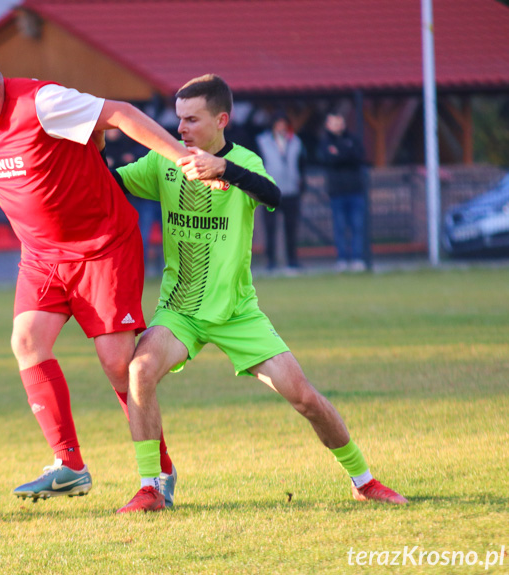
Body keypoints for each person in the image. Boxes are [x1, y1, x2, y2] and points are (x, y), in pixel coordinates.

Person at [111, 74, 406, 512]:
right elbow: (107, 184)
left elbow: (273, 194)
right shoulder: (163, 161)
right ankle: (151, 486)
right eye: (179, 120)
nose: (180, 130)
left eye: (192, 120)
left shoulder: (246, 160)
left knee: (305, 398)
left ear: (221, 120)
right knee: (139, 372)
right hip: (181, 311)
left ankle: (363, 480)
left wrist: (224, 170)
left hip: (237, 313)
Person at [0, 45, 214, 503]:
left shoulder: (43, 103)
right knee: (26, 341)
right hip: (42, 255)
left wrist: (182, 158)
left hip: (103, 247)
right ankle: (70, 465)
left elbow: (120, 114)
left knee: (118, 366)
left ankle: (158, 474)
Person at [103, 130, 162, 275]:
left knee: (144, 233)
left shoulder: (130, 141)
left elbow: (140, 159)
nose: (113, 131)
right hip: (117, 199)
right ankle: (126, 268)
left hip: (138, 198)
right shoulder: (102, 145)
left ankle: (145, 268)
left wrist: (122, 159)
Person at [256, 111, 306, 272]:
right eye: (278, 124)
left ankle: (292, 260)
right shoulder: (262, 142)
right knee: (270, 228)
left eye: (284, 124)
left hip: (291, 191)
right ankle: (271, 260)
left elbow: (302, 164)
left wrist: (300, 183)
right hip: (270, 190)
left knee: (291, 227)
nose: (281, 127)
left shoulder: (296, 142)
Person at [318, 112, 368, 272]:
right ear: (327, 125)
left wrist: (339, 154)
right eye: (333, 122)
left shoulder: (353, 139)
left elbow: (358, 157)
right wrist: (344, 154)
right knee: (339, 227)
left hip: (355, 191)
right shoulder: (325, 142)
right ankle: (342, 259)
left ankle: (357, 259)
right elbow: (328, 159)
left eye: (339, 122)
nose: (337, 125)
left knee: (357, 226)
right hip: (337, 192)